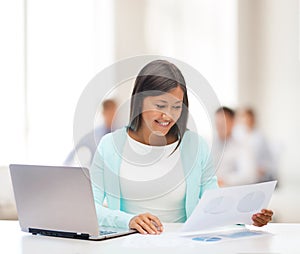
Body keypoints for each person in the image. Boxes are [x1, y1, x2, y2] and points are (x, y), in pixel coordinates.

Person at [90, 60, 273, 235]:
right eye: (160, 105)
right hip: (128, 246)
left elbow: (216, 204)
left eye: (176, 107)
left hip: (183, 245)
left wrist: (248, 217)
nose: (168, 116)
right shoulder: (110, 146)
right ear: (139, 101)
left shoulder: (196, 146)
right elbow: (90, 207)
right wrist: (128, 220)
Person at [64, 99, 117, 167]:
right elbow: (75, 151)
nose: (111, 115)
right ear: (103, 113)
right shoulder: (93, 134)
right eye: (109, 112)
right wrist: (65, 166)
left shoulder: (121, 133)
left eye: (113, 112)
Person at [214, 107, 257, 186]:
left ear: (233, 122)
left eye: (222, 124)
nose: (219, 128)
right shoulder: (208, 144)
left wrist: (223, 180)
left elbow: (249, 175)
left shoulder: (242, 145)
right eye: (217, 124)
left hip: (229, 189)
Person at [234, 107, 276, 182]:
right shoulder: (237, 134)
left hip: (257, 173)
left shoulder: (260, 137)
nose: (246, 120)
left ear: (253, 119)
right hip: (241, 173)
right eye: (244, 118)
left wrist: (263, 168)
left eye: (249, 118)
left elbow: (268, 157)